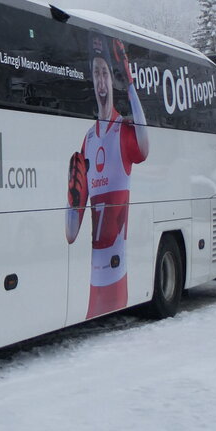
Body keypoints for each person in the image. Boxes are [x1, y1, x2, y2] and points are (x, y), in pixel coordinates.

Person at [65, 33, 149, 318]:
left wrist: (132, 87)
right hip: (93, 279)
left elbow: (145, 148)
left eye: (104, 73)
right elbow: (71, 233)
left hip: (117, 275)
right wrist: (72, 199)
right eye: (95, 74)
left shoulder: (124, 130)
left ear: (112, 80)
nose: (101, 81)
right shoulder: (88, 140)